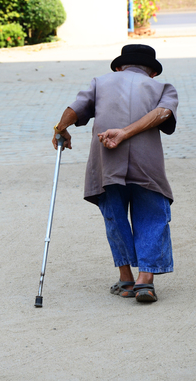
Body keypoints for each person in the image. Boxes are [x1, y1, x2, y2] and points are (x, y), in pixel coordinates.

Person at [52, 44, 178, 303]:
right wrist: (128, 132)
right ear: (152, 72)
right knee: (153, 216)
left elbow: (75, 108)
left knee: (115, 217)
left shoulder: (100, 82)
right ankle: (145, 281)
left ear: (119, 66)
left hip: (107, 163)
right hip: (148, 165)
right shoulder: (163, 88)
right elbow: (162, 113)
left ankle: (126, 280)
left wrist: (60, 128)